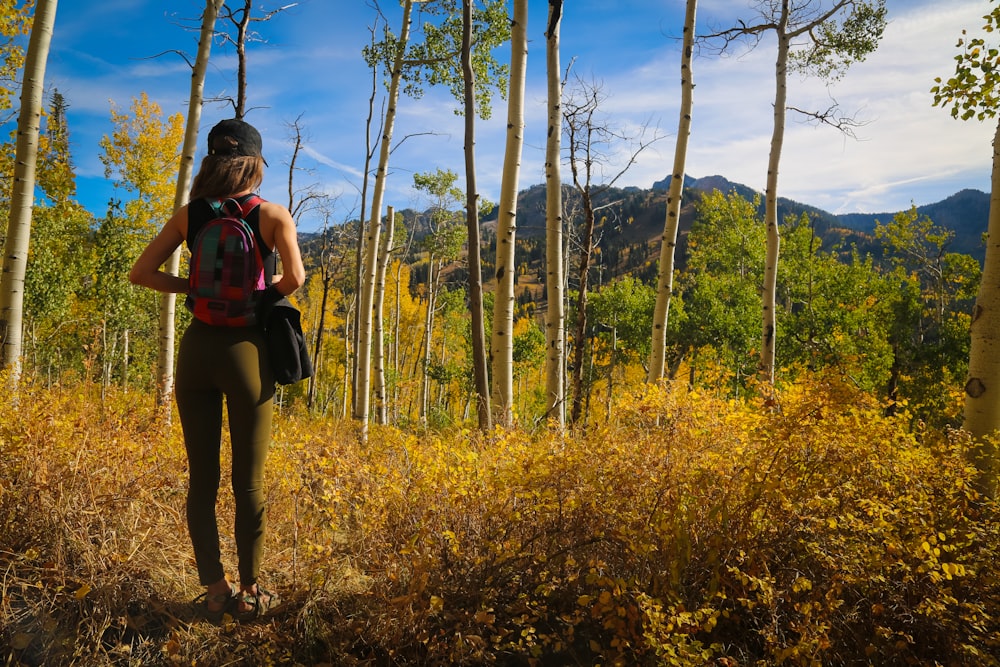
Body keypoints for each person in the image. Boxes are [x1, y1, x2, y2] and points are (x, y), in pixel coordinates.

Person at [129, 118, 306, 620]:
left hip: (196, 352)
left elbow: (140, 273)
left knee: (201, 479)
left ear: (211, 160)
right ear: (254, 162)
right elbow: (294, 277)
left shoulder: (190, 217)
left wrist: (194, 290)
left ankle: (214, 588)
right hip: (246, 351)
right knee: (247, 481)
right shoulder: (271, 214)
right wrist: (255, 298)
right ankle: (251, 592)